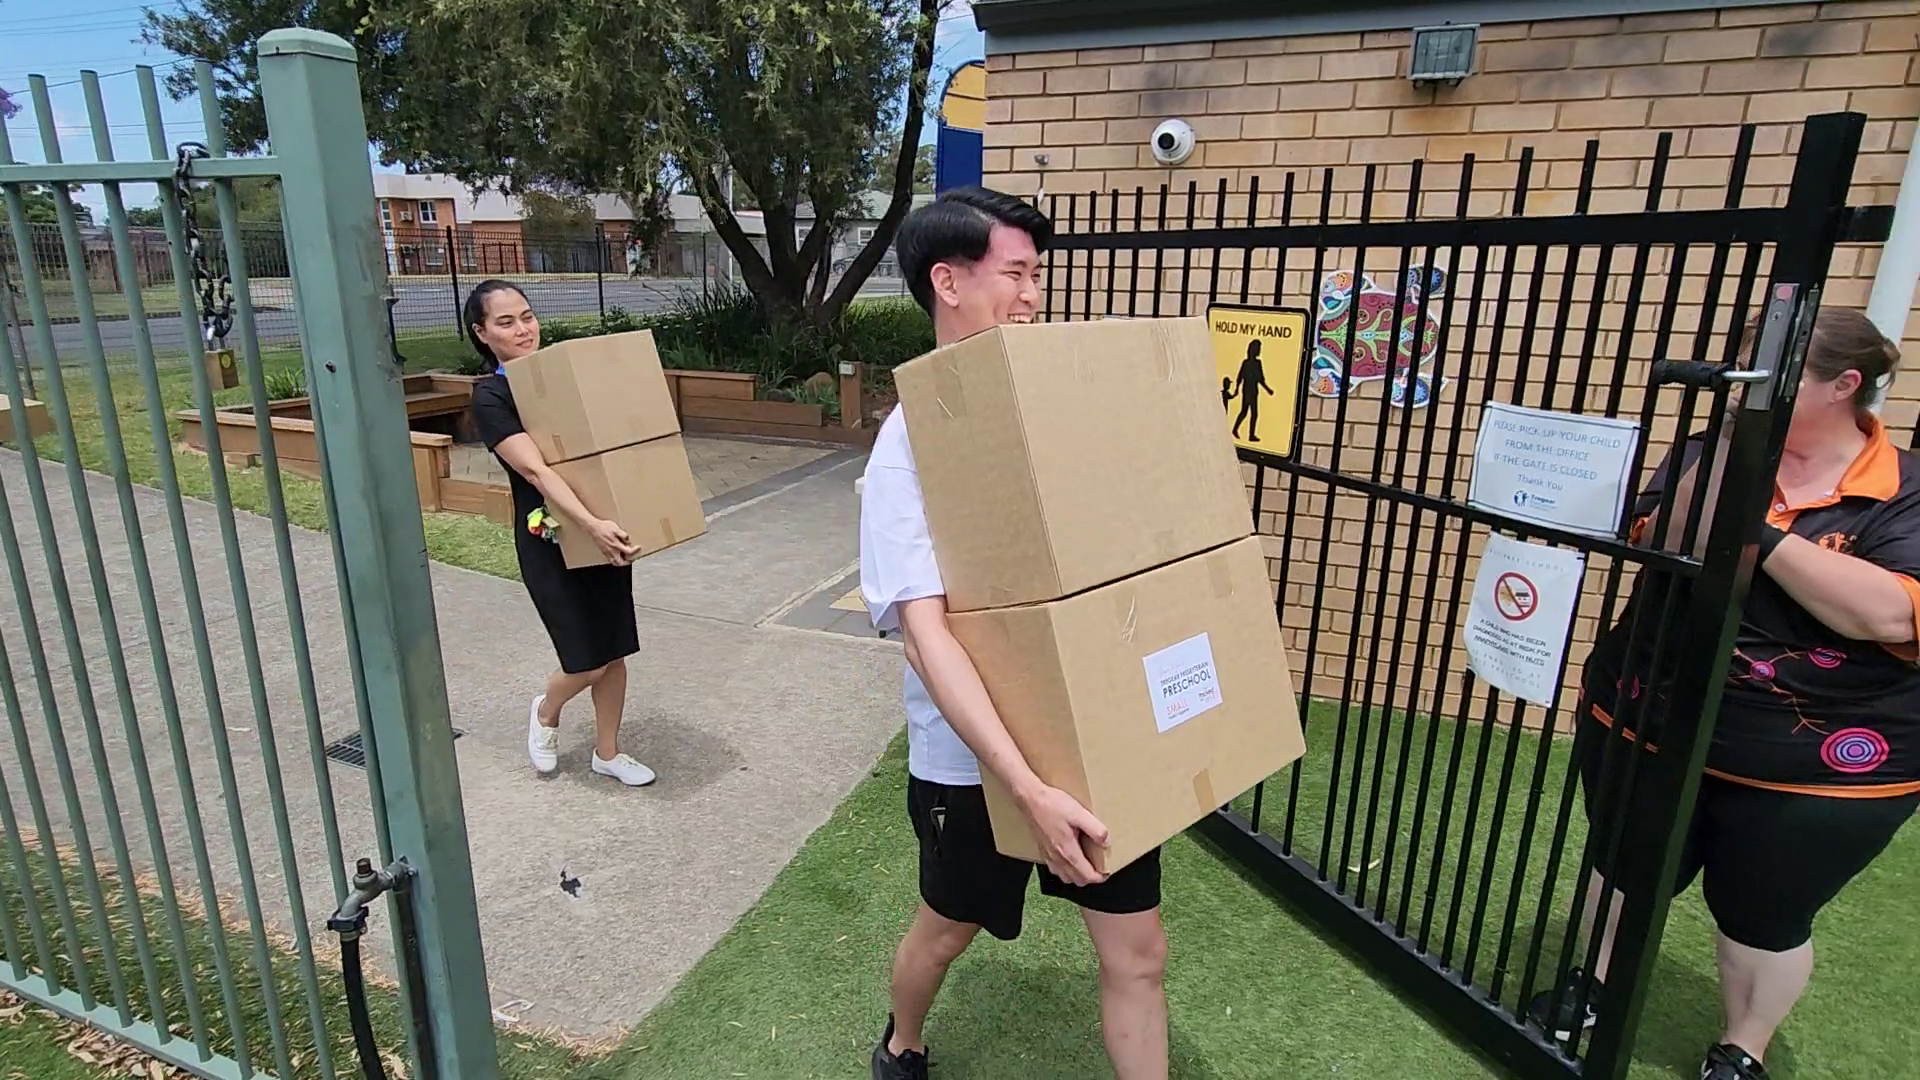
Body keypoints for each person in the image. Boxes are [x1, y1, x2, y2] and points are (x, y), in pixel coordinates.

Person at [1528, 307, 1920, 1080]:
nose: (1744, 394)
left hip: (1820, 764)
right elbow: (1662, 536)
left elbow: (1883, 611)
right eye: (1740, 376)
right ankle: (1596, 984)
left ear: (1845, 385)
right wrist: (1737, 459)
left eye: (1769, 378)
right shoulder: (1713, 452)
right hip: (1647, 716)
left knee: (1765, 915)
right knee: (1621, 863)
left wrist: (1758, 536)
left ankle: (1743, 1046)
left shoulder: (1904, 486)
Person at [860, 187, 1170, 1080]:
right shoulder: (908, 443)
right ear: (947, 281)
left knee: (1138, 953)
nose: (1035, 296)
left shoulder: (1049, 404)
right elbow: (927, 636)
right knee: (947, 930)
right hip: (974, 763)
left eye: (1039, 275)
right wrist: (1025, 787)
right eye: (1019, 274)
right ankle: (901, 1043)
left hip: (1090, 741)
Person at [464, 279, 658, 787]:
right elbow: (537, 473)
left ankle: (608, 752)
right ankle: (547, 710)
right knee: (585, 658)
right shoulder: (490, 396)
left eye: (527, 316)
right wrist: (589, 525)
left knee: (614, 647)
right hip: (552, 540)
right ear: (481, 333)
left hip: (605, 529)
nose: (523, 329)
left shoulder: (565, 380)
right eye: (505, 322)